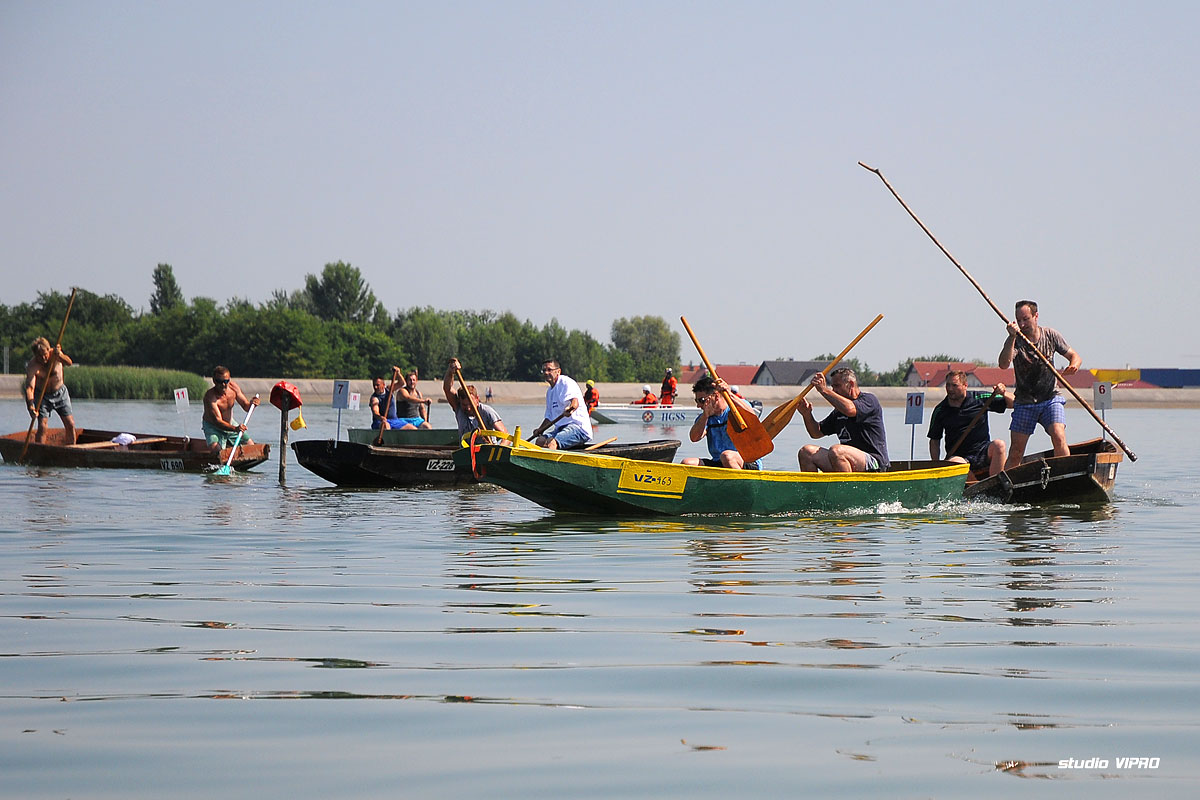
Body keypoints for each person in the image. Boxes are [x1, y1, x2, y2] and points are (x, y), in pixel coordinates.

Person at [998, 299, 1081, 466]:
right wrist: (1011, 337)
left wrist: (1074, 365)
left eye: (1026, 319)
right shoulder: (1016, 340)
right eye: (1018, 320)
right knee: (1016, 451)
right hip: (1025, 402)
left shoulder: (1050, 335)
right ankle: (1007, 481)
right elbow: (1003, 364)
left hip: (1050, 398)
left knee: (1058, 435)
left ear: (1036, 316)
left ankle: (1065, 472)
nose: (1022, 324)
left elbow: (1075, 356)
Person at [797, 368, 890, 472]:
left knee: (837, 451)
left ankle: (846, 483)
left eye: (837, 386)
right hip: (846, 459)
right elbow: (816, 433)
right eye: (832, 387)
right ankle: (816, 484)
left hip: (874, 462)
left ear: (850, 384)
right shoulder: (838, 412)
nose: (834, 391)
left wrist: (824, 390)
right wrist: (807, 414)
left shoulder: (869, 400)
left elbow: (850, 410)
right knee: (806, 452)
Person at [928, 371, 1012, 477]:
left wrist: (1003, 392)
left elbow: (1013, 404)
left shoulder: (979, 398)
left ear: (965, 385)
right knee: (956, 463)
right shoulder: (940, 410)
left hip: (982, 451)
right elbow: (934, 441)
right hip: (959, 456)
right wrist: (936, 465)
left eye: (954, 385)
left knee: (999, 445)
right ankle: (978, 485)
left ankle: (997, 482)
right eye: (948, 385)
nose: (950, 389)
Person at [681, 375, 761, 469]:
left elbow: (753, 416)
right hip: (718, 462)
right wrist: (705, 416)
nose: (698, 405)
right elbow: (694, 438)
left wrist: (729, 394)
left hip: (745, 460)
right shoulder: (704, 418)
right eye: (696, 401)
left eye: (702, 400)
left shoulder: (735, 407)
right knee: (687, 463)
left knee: (726, 456)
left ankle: (742, 478)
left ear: (716, 396)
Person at [24, 336, 76, 444]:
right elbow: (30, 388)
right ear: (35, 355)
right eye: (39, 356)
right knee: (42, 426)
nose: (43, 358)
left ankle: (72, 449)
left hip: (60, 393)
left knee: (70, 424)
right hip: (42, 396)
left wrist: (60, 355)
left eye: (45, 354)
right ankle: (40, 450)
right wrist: (30, 406)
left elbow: (69, 362)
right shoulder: (33, 365)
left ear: (49, 350)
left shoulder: (55, 354)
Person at [532, 359, 594, 449]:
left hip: (579, 428)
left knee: (552, 442)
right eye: (544, 370)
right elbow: (549, 418)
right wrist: (540, 430)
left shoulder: (565, 382)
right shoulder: (549, 392)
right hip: (560, 429)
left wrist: (570, 409)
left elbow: (575, 402)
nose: (546, 373)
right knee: (540, 441)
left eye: (549, 370)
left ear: (558, 371)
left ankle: (551, 456)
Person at [444, 358, 508, 441]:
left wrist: (498, 447)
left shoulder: (487, 411)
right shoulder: (458, 408)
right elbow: (447, 389)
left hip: (488, 448)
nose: (468, 408)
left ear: (477, 399)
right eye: (464, 405)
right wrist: (450, 371)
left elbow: (505, 436)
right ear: (460, 402)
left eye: (471, 404)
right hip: (466, 448)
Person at [202, 367, 260, 451]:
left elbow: (246, 406)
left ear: (229, 380)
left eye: (226, 381)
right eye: (219, 381)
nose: (223, 385)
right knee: (216, 450)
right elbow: (217, 421)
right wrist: (235, 429)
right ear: (214, 381)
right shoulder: (210, 397)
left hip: (230, 423)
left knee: (250, 445)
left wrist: (253, 404)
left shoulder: (234, 388)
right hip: (213, 427)